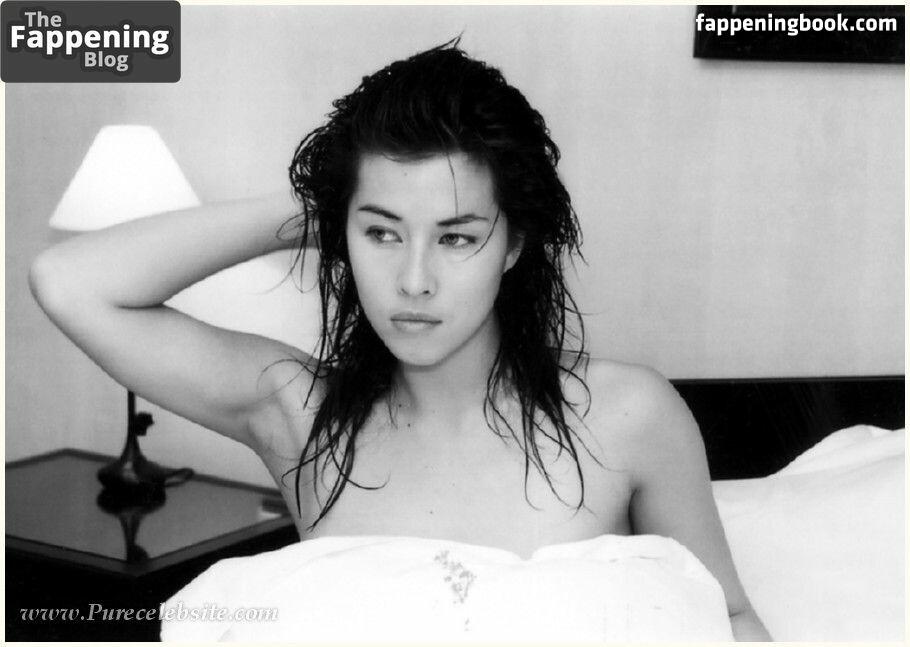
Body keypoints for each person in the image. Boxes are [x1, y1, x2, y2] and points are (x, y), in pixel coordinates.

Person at [29, 40, 770, 640]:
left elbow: (727, 616)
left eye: (456, 237)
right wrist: (323, 206)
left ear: (513, 244)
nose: (414, 280)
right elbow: (68, 283)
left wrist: (371, 212)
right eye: (382, 233)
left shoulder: (628, 415)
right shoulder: (301, 414)